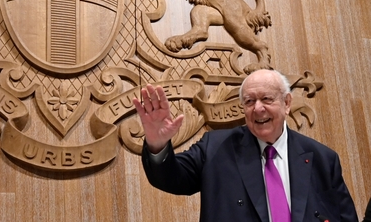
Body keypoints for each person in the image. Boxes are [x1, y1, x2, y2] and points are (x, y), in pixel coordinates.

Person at [134, 69, 357, 222]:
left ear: (287, 103)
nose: (257, 108)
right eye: (249, 101)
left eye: (267, 99)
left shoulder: (323, 158)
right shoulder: (215, 147)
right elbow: (171, 177)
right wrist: (157, 142)